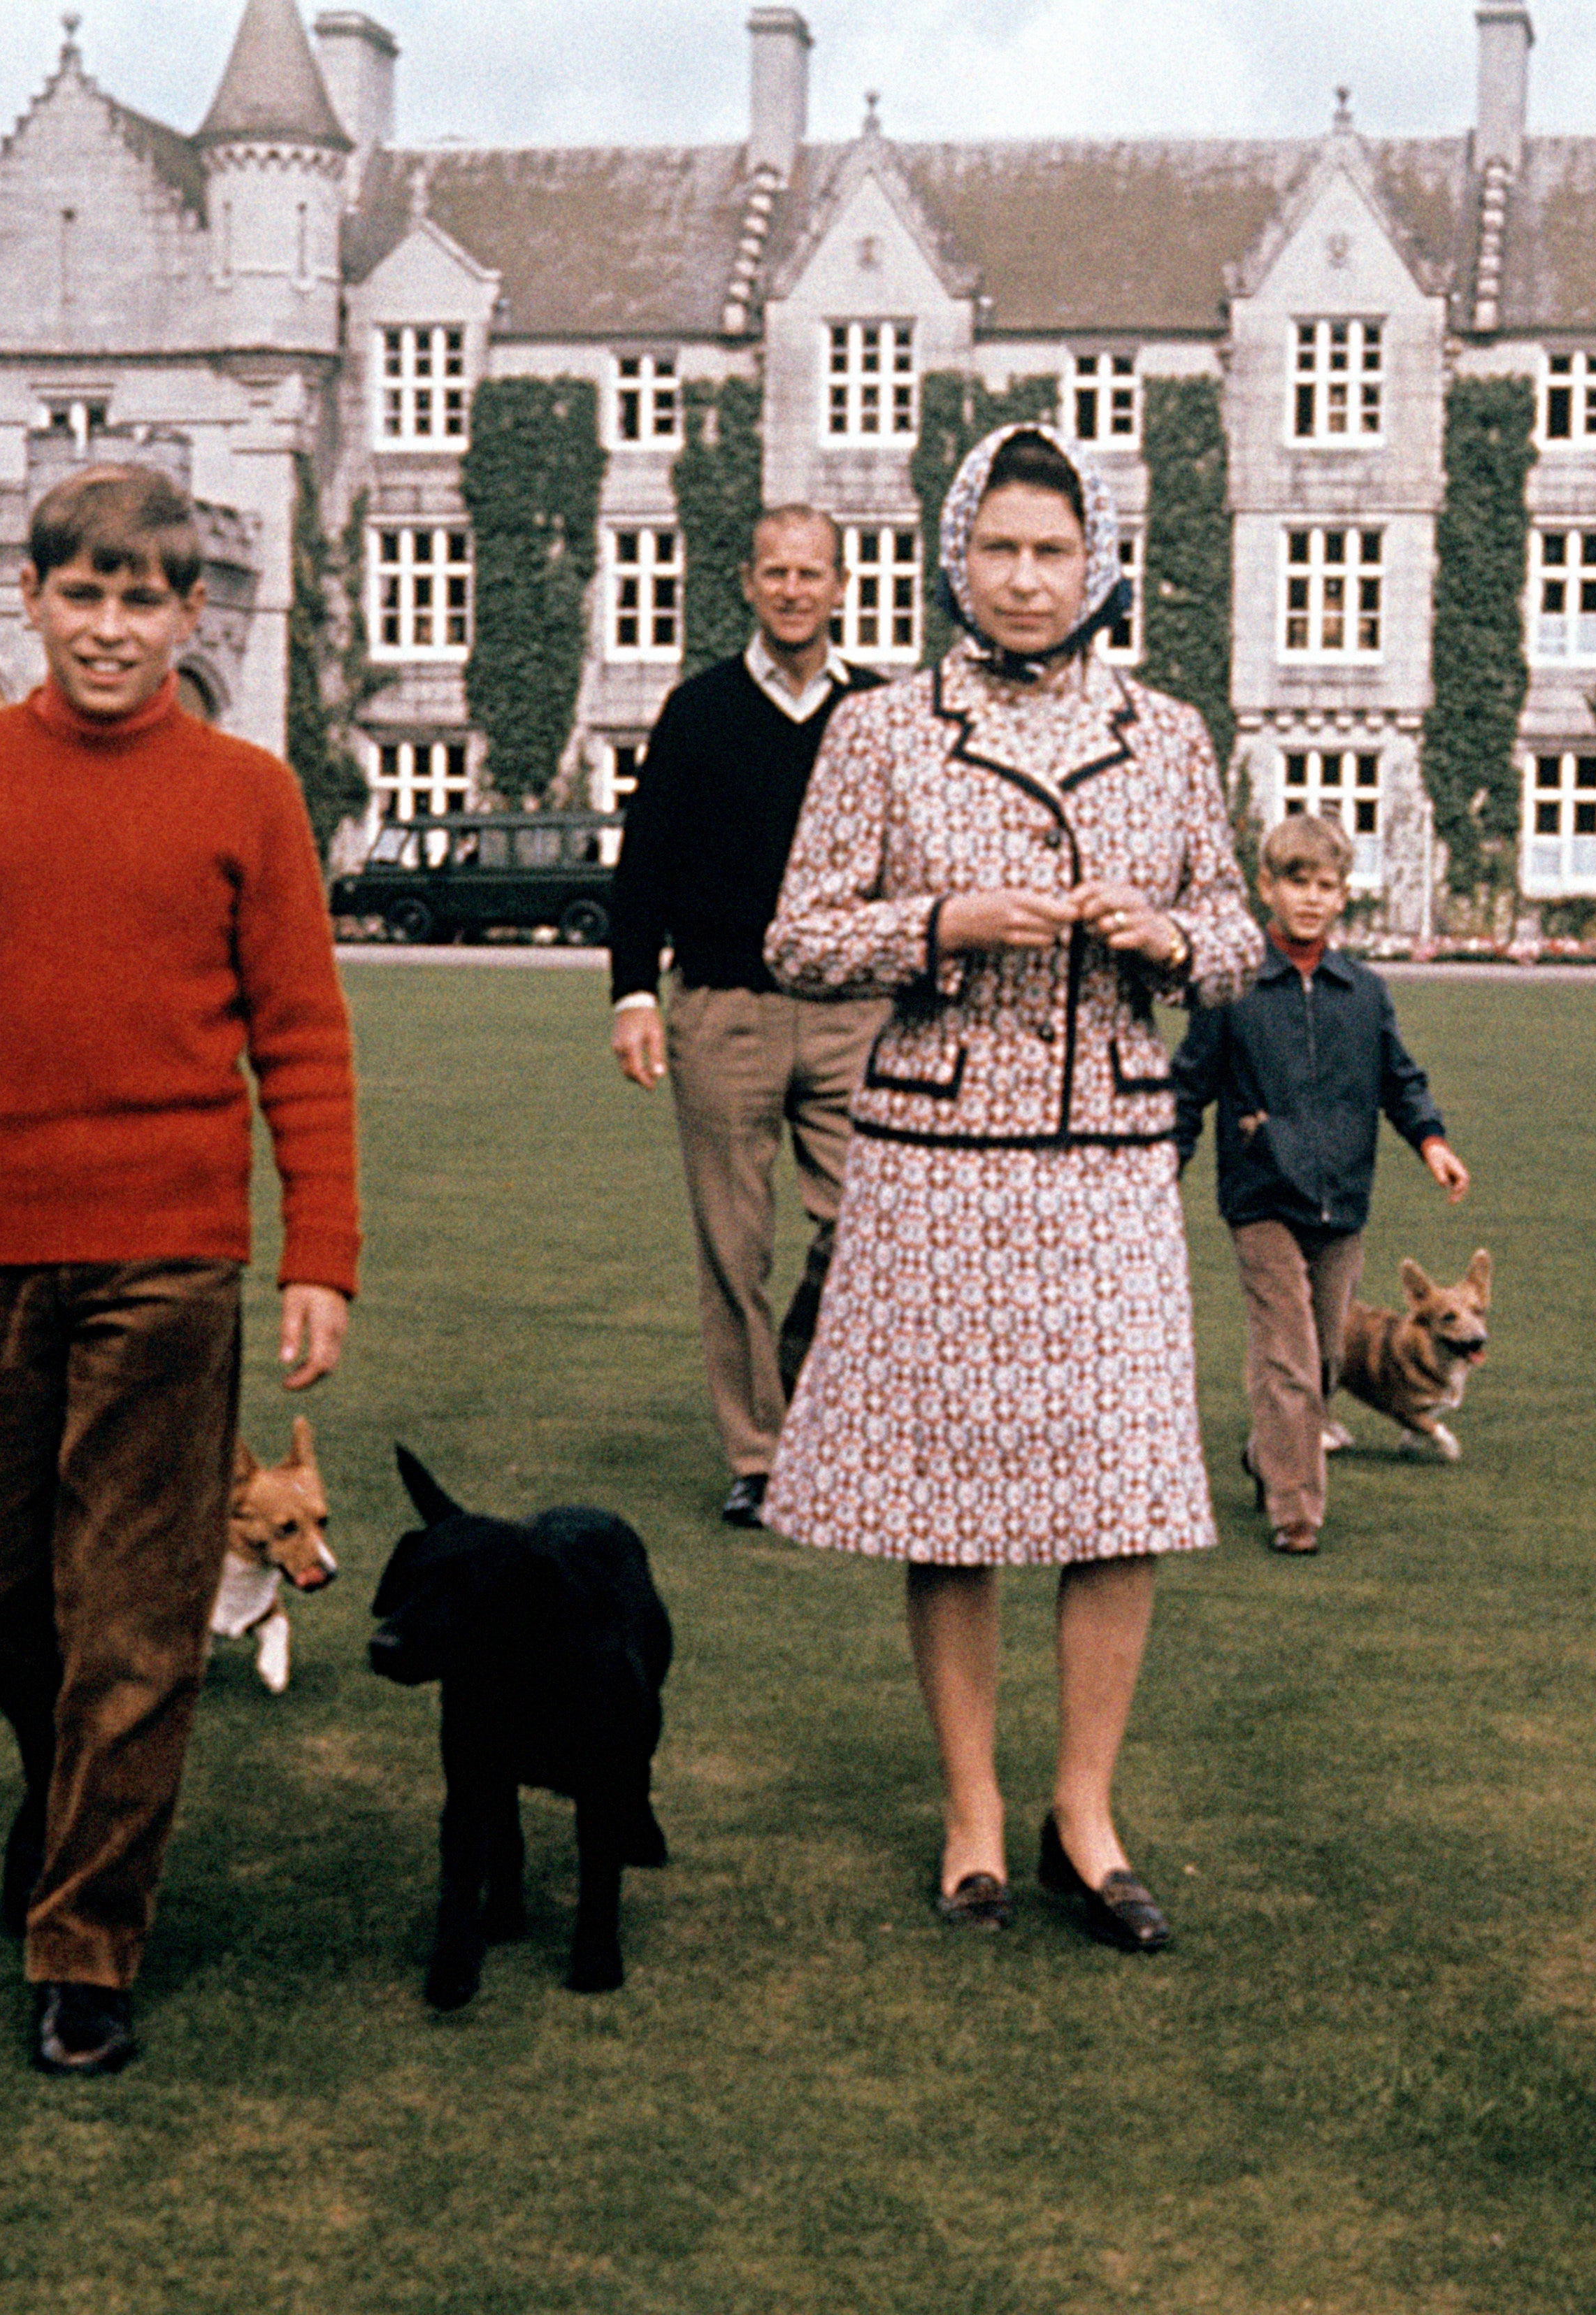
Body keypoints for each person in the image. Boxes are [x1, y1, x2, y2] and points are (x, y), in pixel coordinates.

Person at [0, 464, 359, 2078]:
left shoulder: (246, 793)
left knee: (135, 1616)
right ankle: (70, 1796)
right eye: (83, 595)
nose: (111, 629)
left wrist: (315, 1249)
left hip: (171, 1262)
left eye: (144, 600)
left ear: (190, 615)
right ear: (34, 600)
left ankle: (85, 1949)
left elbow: (305, 1039)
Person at [761, 423, 1263, 1952]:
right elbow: (795, 935)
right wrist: (943, 919)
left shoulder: (1171, 732)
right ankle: (974, 1807)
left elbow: (1238, 929)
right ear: (954, 557)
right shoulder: (879, 730)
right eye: (1000, 548)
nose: (1027, 580)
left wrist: (1172, 941)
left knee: (1122, 1491)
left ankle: (1084, 1812)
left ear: (1097, 561)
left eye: (1053, 551)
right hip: (936, 1156)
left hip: (1108, 1158)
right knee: (952, 1494)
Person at [608, 508, 887, 1528]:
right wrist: (633, 991)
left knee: (864, 1224)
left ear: (841, 585)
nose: (793, 589)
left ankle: (801, 1399)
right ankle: (761, 1456)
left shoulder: (881, 714)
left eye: (811, 572)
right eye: (775, 571)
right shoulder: (698, 710)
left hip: (852, 1009)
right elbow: (643, 863)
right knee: (733, 1245)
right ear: (748, 582)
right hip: (723, 1009)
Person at [1170, 812, 1469, 1557]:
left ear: (1343, 896)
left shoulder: (1362, 992)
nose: (1309, 897)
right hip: (1262, 1197)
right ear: (1266, 887)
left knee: (1328, 1358)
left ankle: (1269, 1451)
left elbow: (1399, 1078)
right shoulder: (1232, 990)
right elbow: (1188, 1088)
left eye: (1325, 885)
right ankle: (1294, 1508)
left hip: (1341, 1199)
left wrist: (1431, 1139)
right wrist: (1159, 1169)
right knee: (1289, 1357)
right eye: (1295, 882)